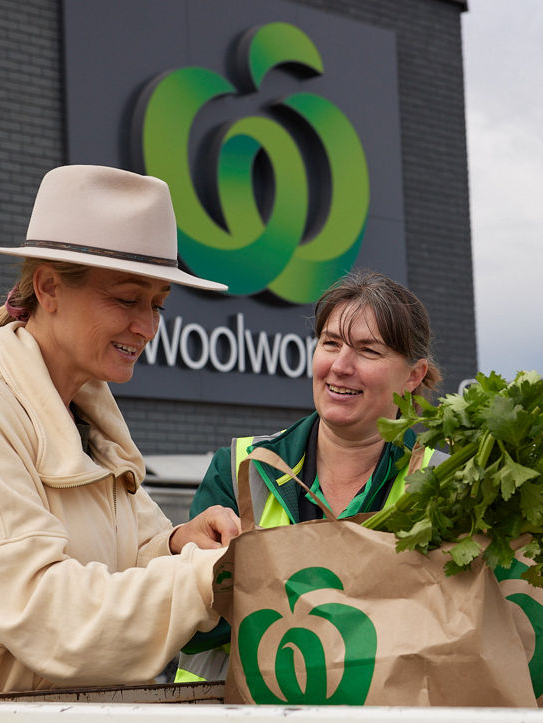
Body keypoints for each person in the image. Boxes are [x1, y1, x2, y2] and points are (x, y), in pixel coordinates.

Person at [0, 165, 240, 723]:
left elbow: (129, 552)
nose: (145, 327)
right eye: (125, 300)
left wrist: (177, 543)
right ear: (48, 288)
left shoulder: (87, 415)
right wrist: (205, 576)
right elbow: (46, 613)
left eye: (158, 305)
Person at [176, 269, 442, 682]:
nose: (340, 366)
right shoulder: (240, 467)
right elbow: (187, 626)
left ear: (413, 375)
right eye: (330, 343)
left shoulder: (441, 485)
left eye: (368, 351)